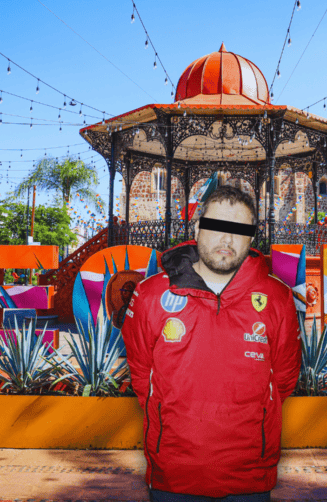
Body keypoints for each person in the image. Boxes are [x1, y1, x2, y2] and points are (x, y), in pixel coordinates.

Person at [122, 185, 301, 501]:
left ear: (251, 238)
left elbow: (284, 379)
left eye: (239, 230)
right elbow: (141, 374)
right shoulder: (150, 294)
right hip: (172, 475)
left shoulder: (278, 297)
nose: (227, 240)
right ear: (196, 229)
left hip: (250, 477)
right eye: (217, 226)